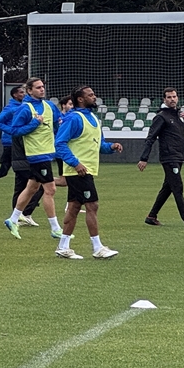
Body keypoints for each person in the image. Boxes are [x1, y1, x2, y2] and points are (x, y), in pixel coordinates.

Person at [54, 85, 123, 259]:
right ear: (80, 99)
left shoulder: (92, 118)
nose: (95, 97)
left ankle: (63, 246)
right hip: (79, 172)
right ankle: (97, 247)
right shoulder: (73, 119)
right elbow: (59, 144)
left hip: (86, 170)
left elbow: (99, 145)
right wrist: (75, 164)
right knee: (92, 206)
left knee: (74, 207)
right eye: (90, 95)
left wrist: (111, 147)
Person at [3, 78, 63, 240]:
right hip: (37, 155)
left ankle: (13, 219)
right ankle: (55, 228)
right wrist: (34, 124)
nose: (42, 90)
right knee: (50, 190)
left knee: (32, 188)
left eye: (43, 87)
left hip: (47, 153)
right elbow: (15, 130)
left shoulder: (50, 106)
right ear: (29, 91)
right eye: (38, 87)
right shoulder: (25, 109)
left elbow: (58, 124)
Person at [139, 87, 184, 227]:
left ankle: (151, 216)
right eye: (169, 97)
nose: (172, 99)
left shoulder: (179, 115)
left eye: (174, 96)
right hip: (169, 157)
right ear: (164, 99)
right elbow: (150, 138)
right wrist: (144, 158)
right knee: (177, 187)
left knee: (168, 187)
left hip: (179, 156)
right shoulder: (161, 117)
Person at [52, 95, 74, 189]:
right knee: (65, 181)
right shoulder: (58, 118)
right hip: (62, 152)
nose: (72, 106)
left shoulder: (73, 117)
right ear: (63, 105)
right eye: (70, 104)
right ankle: (41, 180)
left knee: (67, 181)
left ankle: (42, 180)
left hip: (71, 151)